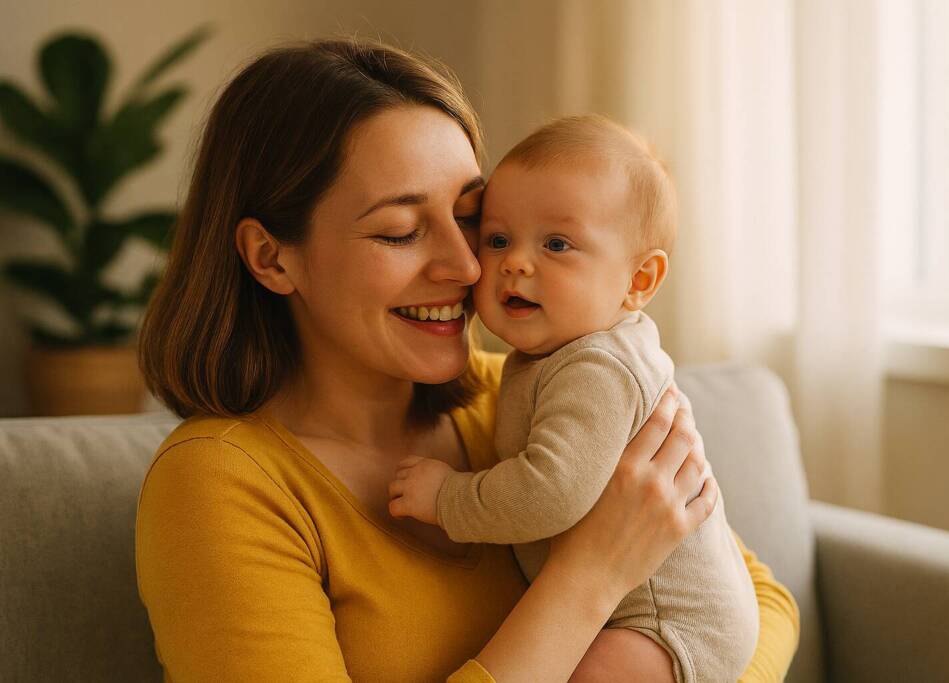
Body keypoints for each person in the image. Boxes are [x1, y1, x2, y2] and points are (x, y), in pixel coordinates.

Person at [135, 38, 799, 682]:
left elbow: (760, 602)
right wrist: (590, 578)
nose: (466, 264)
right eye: (401, 231)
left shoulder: (526, 389)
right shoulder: (220, 481)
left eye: (473, 219)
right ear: (271, 257)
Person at [389, 114, 759, 682]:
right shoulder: (547, 358)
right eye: (497, 238)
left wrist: (449, 499)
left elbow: (551, 491)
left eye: (557, 244)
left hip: (662, 623)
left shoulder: (595, 366)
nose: (515, 262)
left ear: (639, 281)